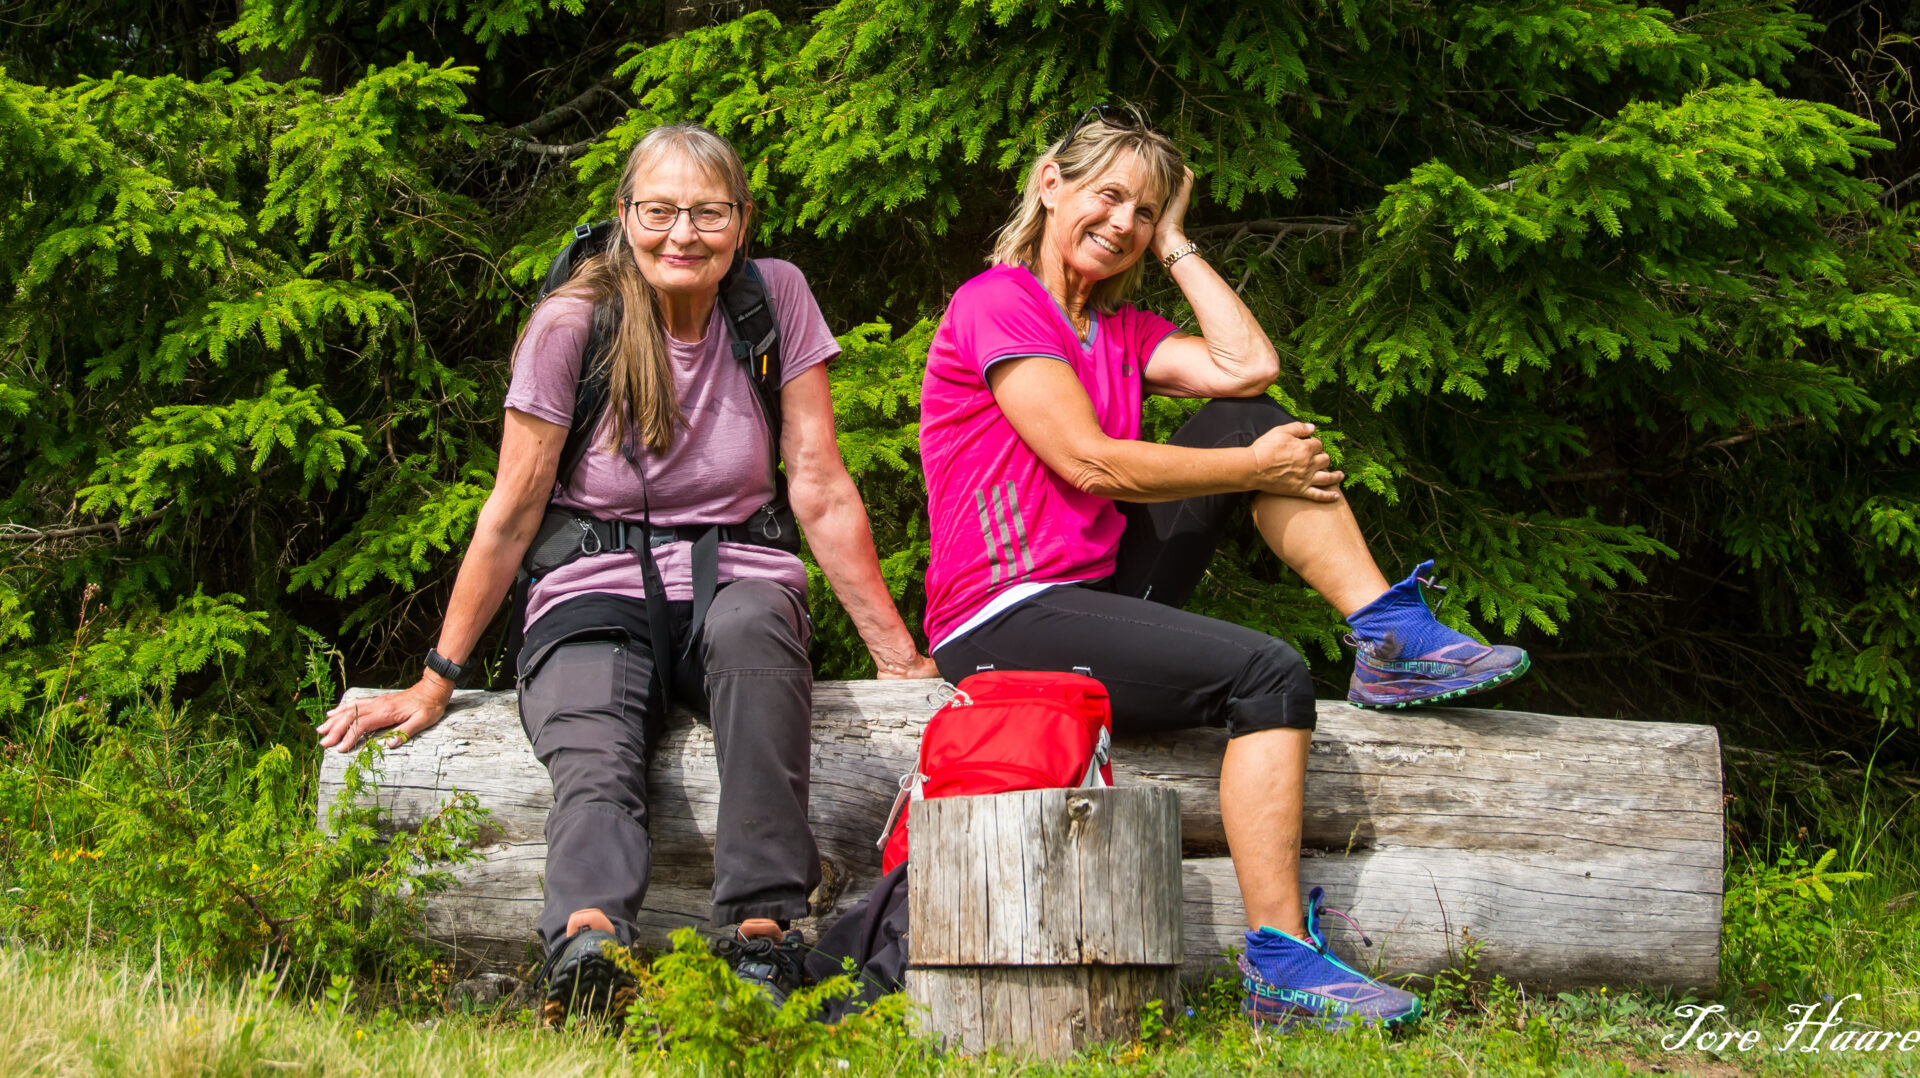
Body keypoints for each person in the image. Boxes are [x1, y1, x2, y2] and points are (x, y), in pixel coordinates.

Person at [918, 106, 1530, 1029]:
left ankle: (1388, 635)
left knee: (1251, 417)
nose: (1122, 222)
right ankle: (1280, 967)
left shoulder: (1120, 331)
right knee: (1269, 668)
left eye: (1143, 210)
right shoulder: (998, 302)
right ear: (1050, 184)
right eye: (1107, 196)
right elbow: (1088, 463)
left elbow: (1249, 367)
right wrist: (1252, 470)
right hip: (1003, 616)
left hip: (1093, 592)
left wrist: (1176, 241)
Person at [315, 123, 938, 1021]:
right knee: (594, 744)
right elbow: (512, 510)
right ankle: (588, 940)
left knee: (757, 635)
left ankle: (761, 937)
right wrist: (436, 677)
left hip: (739, 578)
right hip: (590, 588)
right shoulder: (572, 324)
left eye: (708, 213)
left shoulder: (775, 301)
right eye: (659, 211)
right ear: (623, 214)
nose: (683, 234)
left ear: (742, 221)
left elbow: (821, 484)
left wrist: (896, 655)